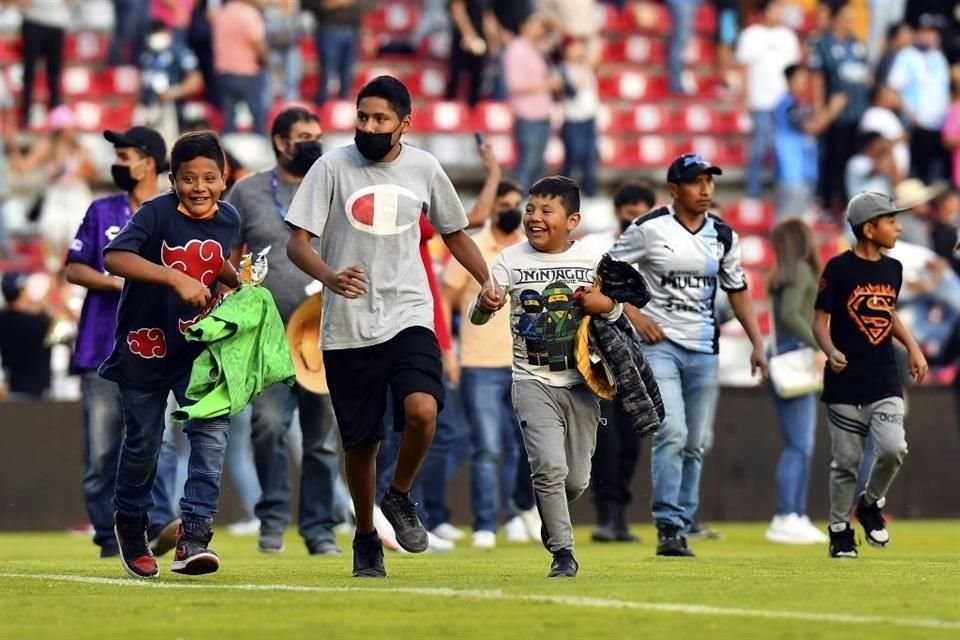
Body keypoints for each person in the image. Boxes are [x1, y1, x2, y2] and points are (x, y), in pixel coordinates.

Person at [285, 76, 501, 578]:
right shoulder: (331, 167)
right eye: (362, 117)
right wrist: (330, 277)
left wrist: (486, 279)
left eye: (380, 119)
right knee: (361, 443)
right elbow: (298, 242)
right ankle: (366, 536)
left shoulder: (424, 167)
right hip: (347, 325)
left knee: (423, 410)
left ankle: (399, 495)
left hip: (409, 313)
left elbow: (455, 232)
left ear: (405, 123)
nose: (368, 126)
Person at [609, 153, 768, 557]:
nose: (706, 190)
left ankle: (683, 520)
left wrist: (757, 343)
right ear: (675, 190)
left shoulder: (724, 235)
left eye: (710, 182)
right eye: (696, 182)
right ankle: (667, 524)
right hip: (659, 347)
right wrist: (634, 314)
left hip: (704, 349)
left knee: (697, 442)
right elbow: (605, 275)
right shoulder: (647, 229)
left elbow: (738, 290)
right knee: (673, 431)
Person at [100, 131, 241, 578]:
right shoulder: (154, 213)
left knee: (212, 432)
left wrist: (237, 285)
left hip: (196, 350)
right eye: (188, 178)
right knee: (144, 444)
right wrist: (172, 279)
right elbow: (114, 257)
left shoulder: (229, 220)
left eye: (209, 178)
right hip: (145, 346)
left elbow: (213, 262)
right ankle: (131, 524)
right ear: (171, 179)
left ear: (225, 179)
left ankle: (194, 536)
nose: (200, 187)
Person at [475, 175, 621, 577]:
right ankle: (563, 553)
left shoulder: (593, 260)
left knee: (574, 481)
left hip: (583, 385)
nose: (534, 218)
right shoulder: (509, 259)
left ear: (572, 220)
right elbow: (479, 311)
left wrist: (604, 304)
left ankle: (551, 516)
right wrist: (485, 304)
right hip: (531, 382)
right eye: (530, 209)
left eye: (546, 211)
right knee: (549, 469)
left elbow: (617, 314)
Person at [225, 106, 341, 555]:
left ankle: (320, 530)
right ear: (279, 141)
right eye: (303, 135)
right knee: (268, 426)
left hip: (324, 330)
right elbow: (228, 253)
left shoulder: (334, 187)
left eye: (317, 134)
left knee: (323, 439)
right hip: (268, 333)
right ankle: (271, 521)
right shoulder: (249, 190)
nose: (313, 141)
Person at [64, 126, 181, 560]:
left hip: (156, 346)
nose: (118, 163)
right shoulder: (101, 211)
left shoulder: (170, 214)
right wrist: (117, 279)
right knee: (101, 453)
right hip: (101, 346)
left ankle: (158, 523)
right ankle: (107, 534)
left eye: (125, 155)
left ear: (149, 162)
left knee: (161, 442)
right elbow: (75, 268)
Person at [812, 191, 927, 558]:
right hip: (845, 381)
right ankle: (839, 530)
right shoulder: (838, 269)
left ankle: (870, 503)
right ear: (869, 229)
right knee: (845, 461)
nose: (899, 227)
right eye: (892, 221)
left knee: (894, 448)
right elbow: (819, 320)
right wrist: (830, 351)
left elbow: (886, 312)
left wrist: (912, 346)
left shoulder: (893, 269)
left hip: (884, 377)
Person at [442, 177, 526, 548]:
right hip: (479, 363)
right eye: (503, 204)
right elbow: (444, 298)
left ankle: (518, 514)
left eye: (515, 204)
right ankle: (486, 525)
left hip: (526, 363)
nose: (511, 210)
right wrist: (449, 352)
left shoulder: (529, 250)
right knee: (488, 447)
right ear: (490, 210)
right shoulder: (473, 247)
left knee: (523, 447)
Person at [583, 181, 655, 543]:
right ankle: (606, 515)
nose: (635, 222)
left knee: (632, 440)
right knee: (607, 440)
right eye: (630, 216)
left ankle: (620, 516)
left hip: (644, 358)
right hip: (604, 357)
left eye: (642, 216)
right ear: (617, 213)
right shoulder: (596, 246)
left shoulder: (659, 251)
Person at [764, 219, 829, 545]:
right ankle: (788, 515)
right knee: (799, 444)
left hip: (784, 357)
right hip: (796, 357)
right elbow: (792, 315)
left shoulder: (783, 275)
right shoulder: (802, 272)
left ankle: (795, 515)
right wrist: (820, 346)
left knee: (800, 444)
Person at [735, 0, 801, 200]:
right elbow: (744, 69)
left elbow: (795, 72)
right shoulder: (750, 35)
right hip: (760, 101)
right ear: (764, 11)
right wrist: (744, 98)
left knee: (781, 148)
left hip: (783, 104)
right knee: (758, 147)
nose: (779, 13)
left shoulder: (788, 36)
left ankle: (778, 190)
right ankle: (753, 190)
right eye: (775, 8)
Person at [810, 2, 870, 214]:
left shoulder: (857, 45)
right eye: (846, 17)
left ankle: (849, 203)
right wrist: (821, 111)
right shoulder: (823, 44)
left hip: (857, 115)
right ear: (835, 19)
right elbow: (817, 79)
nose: (850, 21)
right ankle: (827, 205)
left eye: (852, 17)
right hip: (835, 115)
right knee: (833, 160)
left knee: (853, 161)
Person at [774, 64, 846, 220]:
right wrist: (833, 109)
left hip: (806, 171)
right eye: (800, 79)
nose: (804, 84)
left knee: (801, 219)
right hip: (792, 172)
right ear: (790, 81)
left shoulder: (801, 105)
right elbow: (812, 127)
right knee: (787, 219)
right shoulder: (788, 105)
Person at [887, 14, 951, 184]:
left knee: (930, 174)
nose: (928, 36)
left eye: (932, 32)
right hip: (914, 125)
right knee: (912, 172)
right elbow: (892, 90)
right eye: (924, 31)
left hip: (936, 126)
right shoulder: (907, 56)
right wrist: (911, 116)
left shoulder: (939, 57)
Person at [504, 12, 560, 191]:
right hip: (527, 115)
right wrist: (547, 84)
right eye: (537, 24)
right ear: (525, 26)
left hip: (542, 114)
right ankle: (516, 203)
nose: (540, 29)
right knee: (527, 163)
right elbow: (516, 84)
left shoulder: (537, 49)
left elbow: (561, 39)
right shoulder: (516, 49)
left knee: (538, 166)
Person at [212, 0, 268, 134]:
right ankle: (259, 149)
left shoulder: (223, 12)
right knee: (257, 115)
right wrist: (265, 60)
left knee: (229, 117)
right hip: (247, 71)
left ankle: (227, 152)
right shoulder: (248, 13)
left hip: (224, 71)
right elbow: (256, 42)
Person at [558, 36, 600, 198]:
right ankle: (564, 195)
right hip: (573, 121)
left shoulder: (586, 67)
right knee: (572, 158)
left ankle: (590, 194)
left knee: (589, 160)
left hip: (589, 119)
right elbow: (569, 92)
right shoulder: (562, 69)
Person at [0, 272, 51, 399]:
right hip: (37, 389)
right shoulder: (39, 321)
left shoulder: (3, 319)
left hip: (11, 386)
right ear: (22, 292)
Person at [845, 131, 900, 198]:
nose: (882, 147)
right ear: (871, 144)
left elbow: (898, 182)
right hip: (863, 205)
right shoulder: (857, 161)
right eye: (879, 143)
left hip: (883, 204)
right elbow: (877, 170)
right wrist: (889, 150)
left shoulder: (882, 160)